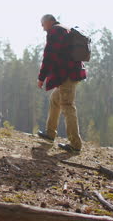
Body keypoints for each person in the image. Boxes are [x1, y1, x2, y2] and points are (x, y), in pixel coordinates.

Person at [36, 14, 87, 153]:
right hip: (72, 73)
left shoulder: (55, 31)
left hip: (67, 75)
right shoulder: (65, 29)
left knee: (67, 106)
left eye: (43, 25)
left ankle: (75, 145)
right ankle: (50, 133)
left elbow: (49, 55)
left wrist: (41, 78)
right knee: (55, 99)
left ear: (49, 22)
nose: (42, 29)